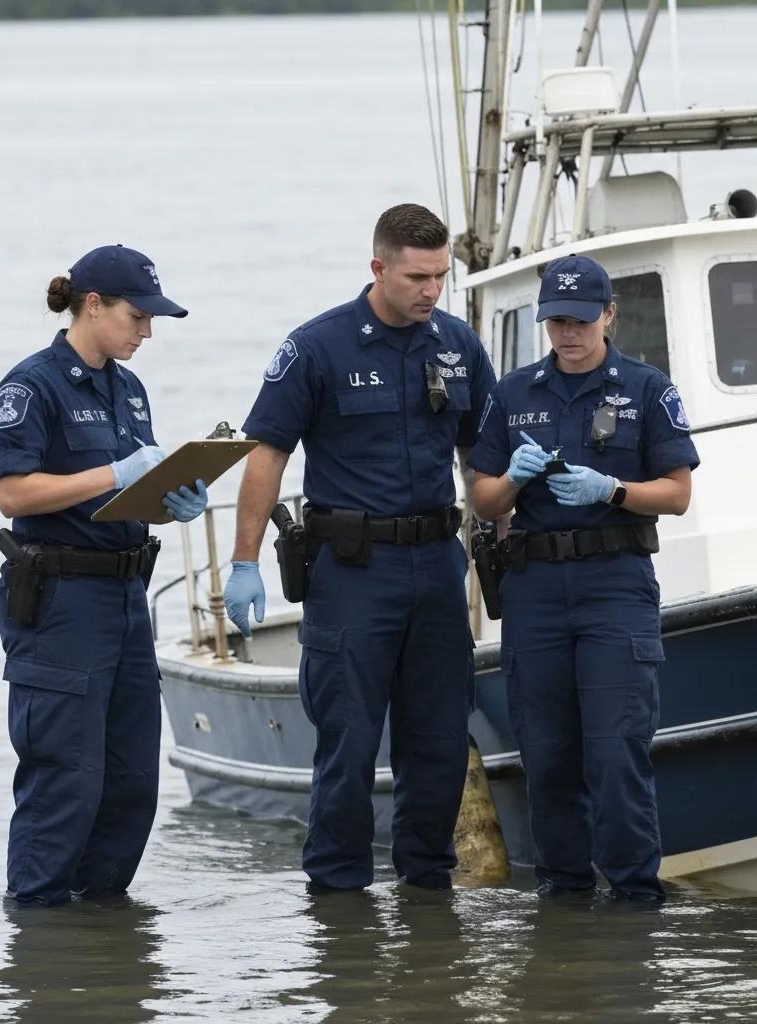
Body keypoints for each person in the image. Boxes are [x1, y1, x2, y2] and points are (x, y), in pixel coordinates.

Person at [223, 204, 496, 892]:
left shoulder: (459, 345)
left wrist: (508, 543)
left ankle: (427, 894)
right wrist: (245, 561)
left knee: (436, 743)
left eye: (441, 276)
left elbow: (484, 457)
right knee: (347, 745)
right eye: (416, 277)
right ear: (378, 268)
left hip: (436, 564)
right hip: (352, 570)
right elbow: (267, 455)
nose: (431, 290)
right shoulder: (318, 348)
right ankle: (338, 904)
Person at [468, 254, 699, 900]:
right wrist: (512, 478)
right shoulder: (513, 394)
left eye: (579, 320)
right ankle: (563, 908)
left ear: (609, 316)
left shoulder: (647, 389)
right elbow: (483, 500)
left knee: (615, 753)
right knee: (547, 758)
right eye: (555, 321)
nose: (567, 333)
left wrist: (614, 489)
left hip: (613, 583)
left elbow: (677, 493)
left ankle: (633, 901)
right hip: (535, 587)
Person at [0, 244, 207, 906]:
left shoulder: (128, 388)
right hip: (60, 602)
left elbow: (119, 499)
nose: (146, 333)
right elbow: (13, 494)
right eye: (138, 318)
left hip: (125, 595)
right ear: (93, 305)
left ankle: (105, 947)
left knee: (133, 780)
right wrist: (116, 474)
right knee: (66, 780)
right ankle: (41, 943)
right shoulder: (32, 387)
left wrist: (169, 501)